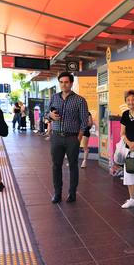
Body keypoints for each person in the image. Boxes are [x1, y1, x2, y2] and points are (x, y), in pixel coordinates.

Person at [47, 72, 89, 204]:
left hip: (72, 138)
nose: (63, 84)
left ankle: (72, 193)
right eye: (61, 82)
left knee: (73, 166)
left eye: (66, 82)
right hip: (57, 137)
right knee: (56, 166)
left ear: (71, 83)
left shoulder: (80, 100)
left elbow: (84, 121)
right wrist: (50, 116)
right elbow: (46, 113)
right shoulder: (54, 97)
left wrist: (79, 137)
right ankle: (57, 193)